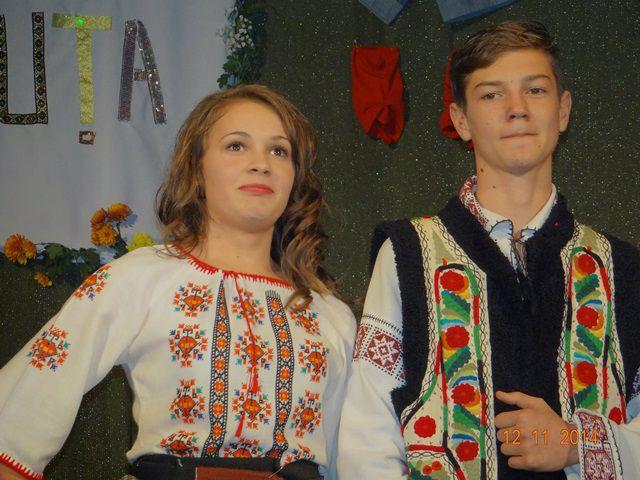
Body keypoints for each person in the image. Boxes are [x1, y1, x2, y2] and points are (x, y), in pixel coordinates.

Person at [0, 84, 356, 480]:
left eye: (279, 151)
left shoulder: (329, 314)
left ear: (295, 179)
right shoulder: (139, 279)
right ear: (197, 168)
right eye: (236, 145)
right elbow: (18, 415)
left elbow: (356, 459)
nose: (261, 163)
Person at [337, 20, 640, 479]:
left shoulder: (622, 268)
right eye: (491, 94)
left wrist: (577, 443)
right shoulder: (407, 254)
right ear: (461, 120)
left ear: (562, 110)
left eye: (535, 90)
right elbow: (367, 427)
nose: (517, 109)